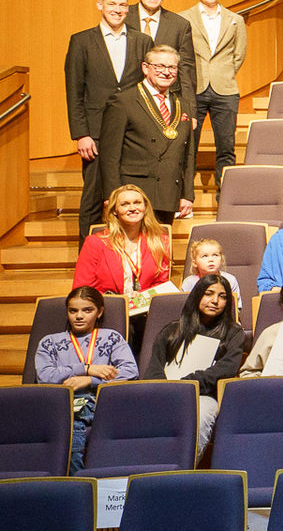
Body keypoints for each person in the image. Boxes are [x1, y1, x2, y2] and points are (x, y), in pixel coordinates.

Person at [67, 0, 152, 238]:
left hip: (133, 134)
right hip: (95, 135)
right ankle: (88, 259)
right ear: (100, 5)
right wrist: (81, 134)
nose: (117, 9)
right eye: (112, 3)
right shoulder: (81, 41)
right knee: (94, 199)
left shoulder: (142, 41)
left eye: (123, 4)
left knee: (132, 198)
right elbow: (74, 91)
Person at [140, 275, 246, 456]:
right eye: (208, 294)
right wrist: (166, 390)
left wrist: (189, 383)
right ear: (197, 295)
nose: (215, 301)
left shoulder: (233, 332)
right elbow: (155, 367)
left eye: (222, 296)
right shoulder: (172, 330)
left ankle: (181, 466)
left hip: (203, 395)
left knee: (201, 415)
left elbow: (226, 368)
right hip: (165, 392)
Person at [38, 286, 138, 472]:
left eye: (87, 310)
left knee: (73, 418)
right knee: (68, 415)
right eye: (73, 311)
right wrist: (86, 369)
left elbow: (130, 371)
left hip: (100, 401)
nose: (79, 316)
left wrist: (90, 381)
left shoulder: (111, 338)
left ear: (99, 312)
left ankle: (76, 478)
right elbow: (45, 376)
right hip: (62, 402)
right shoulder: (49, 342)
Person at [185, 0, 245, 187]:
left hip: (225, 90)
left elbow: (239, 55)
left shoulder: (236, 20)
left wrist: (224, 73)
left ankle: (225, 195)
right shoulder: (184, 18)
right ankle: (185, 195)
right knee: (188, 146)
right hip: (194, 88)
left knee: (226, 146)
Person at [73, 184, 174, 297]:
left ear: (145, 207)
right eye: (125, 204)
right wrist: (117, 301)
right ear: (114, 211)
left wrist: (140, 297)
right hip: (107, 305)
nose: (132, 208)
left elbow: (161, 285)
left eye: (137, 203)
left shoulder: (160, 241)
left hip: (145, 305)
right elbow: (82, 289)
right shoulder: (95, 242)